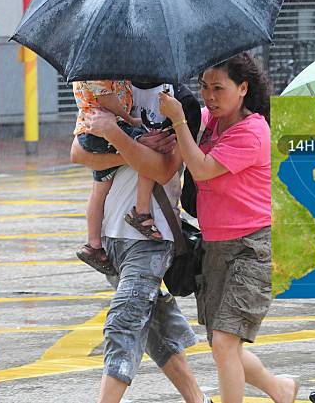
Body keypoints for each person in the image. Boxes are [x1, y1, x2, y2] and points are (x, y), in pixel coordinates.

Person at [158, 52, 299, 403]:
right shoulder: (207, 121)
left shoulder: (252, 132)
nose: (209, 96)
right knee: (222, 344)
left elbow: (203, 168)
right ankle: (280, 389)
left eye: (218, 88)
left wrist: (178, 122)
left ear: (243, 89)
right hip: (214, 247)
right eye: (204, 86)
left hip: (251, 248)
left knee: (224, 342)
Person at [70, 85, 211, 403]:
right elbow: (78, 153)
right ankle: (200, 400)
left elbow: (163, 169)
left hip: (151, 236)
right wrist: (132, 141)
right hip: (110, 237)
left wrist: (116, 135)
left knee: (126, 319)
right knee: (154, 327)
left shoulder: (180, 101)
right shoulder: (111, 90)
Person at [72, 80, 160, 276]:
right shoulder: (95, 69)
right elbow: (106, 97)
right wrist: (129, 119)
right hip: (102, 130)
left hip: (93, 131)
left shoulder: (99, 67)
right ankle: (141, 211)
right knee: (147, 150)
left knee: (99, 190)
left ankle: (93, 244)